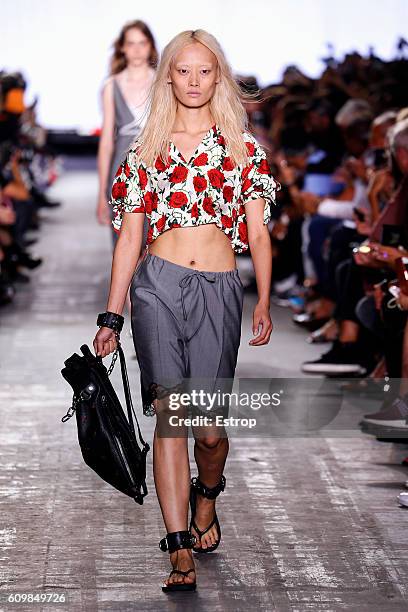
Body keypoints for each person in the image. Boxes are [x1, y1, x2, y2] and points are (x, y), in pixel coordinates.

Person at [93, 29, 279, 593]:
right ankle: (178, 549)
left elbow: (259, 231)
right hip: (157, 287)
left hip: (220, 287)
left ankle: (208, 495)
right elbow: (129, 238)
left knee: (210, 431)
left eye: (205, 71)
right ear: (167, 75)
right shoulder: (146, 149)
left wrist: (263, 299)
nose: (194, 82)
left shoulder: (242, 146)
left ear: (218, 77)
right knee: (171, 419)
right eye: (183, 71)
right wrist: (112, 314)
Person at [96, 20, 157, 317]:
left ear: (150, 46)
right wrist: (100, 195)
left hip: (158, 167)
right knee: (124, 243)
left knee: (155, 243)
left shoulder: (164, 82)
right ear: (122, 47)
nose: (136, 49)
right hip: (121, 171)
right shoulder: (111, 86)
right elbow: (107, 140)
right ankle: (137, 316)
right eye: (130, 43)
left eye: (141, 43)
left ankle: (153, 309)